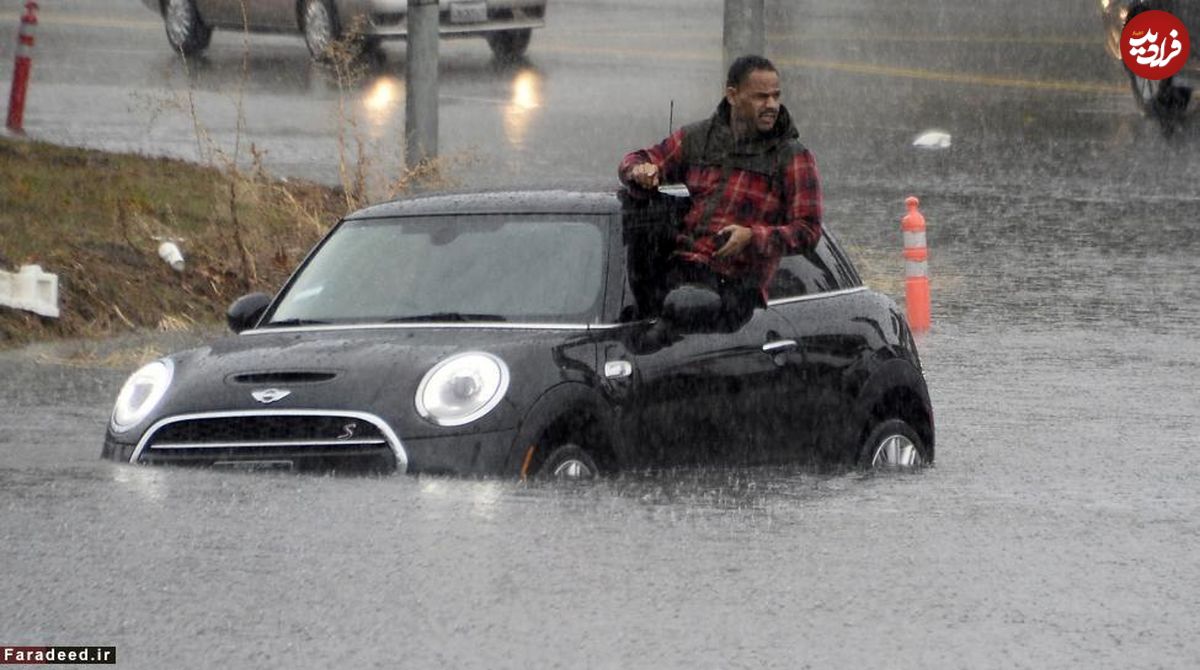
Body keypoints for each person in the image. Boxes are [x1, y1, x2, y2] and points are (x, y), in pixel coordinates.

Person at [618, 54, 822, 324]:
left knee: (666, 329)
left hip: (735, 290)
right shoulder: (698, 139)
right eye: (761, 97)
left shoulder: (792, 157)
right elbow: (635, 160)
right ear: (732, 95)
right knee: (639, 215)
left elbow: (808, 231)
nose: (771, 105)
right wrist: (640, 171)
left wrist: (752, 237)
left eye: (776, 96)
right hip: (677, 273)